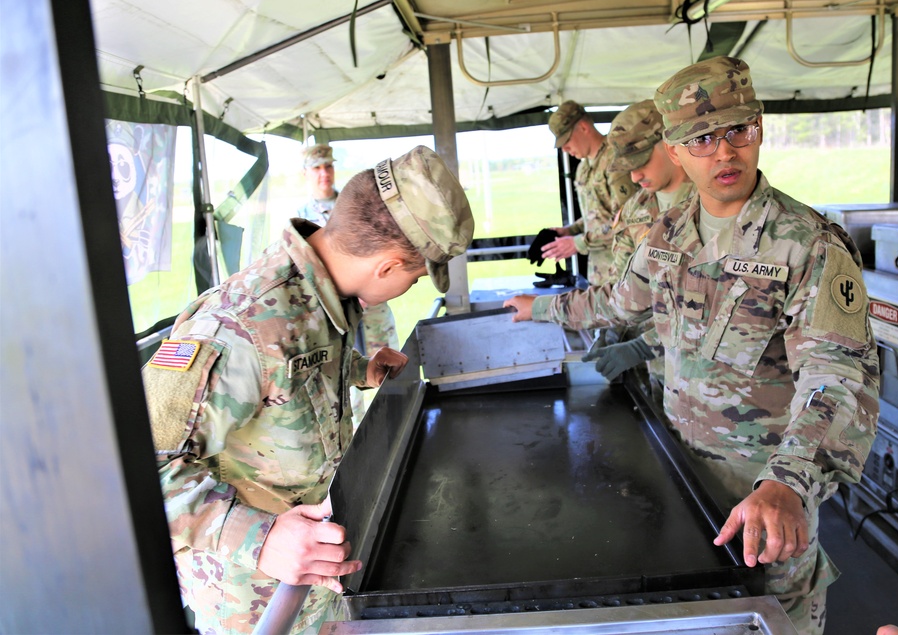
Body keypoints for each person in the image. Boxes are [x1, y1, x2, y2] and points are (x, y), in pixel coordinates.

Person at [516, 58, 880, 635]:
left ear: (759, 129)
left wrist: (785, 481)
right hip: (680, 472)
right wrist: (541, 307)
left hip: (766, 498)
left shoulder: (807, 244)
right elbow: (618, 302)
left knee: (776, 622)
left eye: (738, 131)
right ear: (677, 150)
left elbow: (835, 374)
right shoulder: (668, 232)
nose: (724, 152)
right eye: (702, 138)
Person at [142, 146, 474, 634]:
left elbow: (284, 379)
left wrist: (360, 370)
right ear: (386, 266)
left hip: (316, 582)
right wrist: (259, 537)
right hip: (253, 601)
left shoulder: (320, 295)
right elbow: (127, 473)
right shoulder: (237, 327)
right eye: (416, 274)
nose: (412, 285)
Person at [504, 99, 690, 391]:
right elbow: (610, 227)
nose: (634, 176)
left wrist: (578, 242)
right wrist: (569, 230)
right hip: (617, 297)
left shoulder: (710, 207)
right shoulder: (629, 200)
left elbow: (703, 305)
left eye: (639, 163)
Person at [299, 143, 400, 424]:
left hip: (373, 311)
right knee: (344, 383)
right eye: (316, 168)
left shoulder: (354, 206)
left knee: (388, 375)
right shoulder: (299, 218)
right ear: (305, 173)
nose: (324, 174)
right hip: (335, 316)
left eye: (328, 166)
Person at [543, 100, 639, 286]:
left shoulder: (615, 161)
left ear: (584, 127)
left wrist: (578, 243)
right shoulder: (583, 168)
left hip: (624, 274)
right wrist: (571, 230)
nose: (565, 149)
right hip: (599, 275)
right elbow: (598, 216)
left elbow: (627, 221)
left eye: (567, 140)